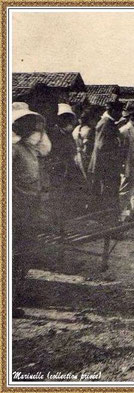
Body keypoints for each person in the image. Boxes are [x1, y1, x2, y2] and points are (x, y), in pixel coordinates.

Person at [11, 102, 48, 318]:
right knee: (13, 254)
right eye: (26, 125)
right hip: (16, 208)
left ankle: (19, 294)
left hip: (29, 206)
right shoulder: (13, 149)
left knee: (24, 254)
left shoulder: (28, 147)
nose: (32, 129)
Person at [89, 101, 124, 211]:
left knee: (109, 190)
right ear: (112, 111)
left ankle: (108, 213)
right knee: (107, 191)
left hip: (108, 164)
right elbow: (102, 146)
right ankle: (106, 215)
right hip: (105, 165)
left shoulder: (110, 123)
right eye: (119, 111)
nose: (121, 114)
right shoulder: (105, 123)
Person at [47, 103, 79, 187]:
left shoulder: (68, 134)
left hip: (69, 167)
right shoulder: (53, 133)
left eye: (69, 119)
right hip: (58, 167)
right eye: (64, 118)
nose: (67, 121)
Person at [72, 108, 97, 176]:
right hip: (86, 156)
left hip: (77, 156)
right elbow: (87, 146)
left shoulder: (76, 129)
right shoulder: (89, 130)